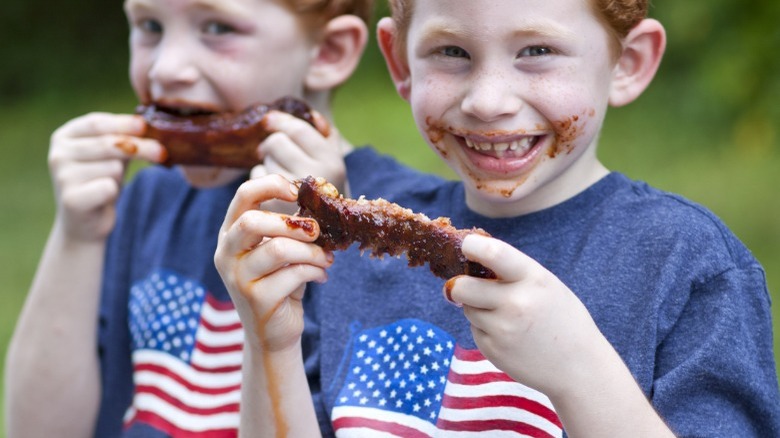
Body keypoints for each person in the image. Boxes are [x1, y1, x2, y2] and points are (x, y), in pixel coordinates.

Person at [214, 0, 780, 436]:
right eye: (451, 53)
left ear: (626, 63)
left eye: (536, 51)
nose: (488, 101)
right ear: (399, 62)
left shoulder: (689, 264)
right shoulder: (349, 251)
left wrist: (579, 370)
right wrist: (269, 345)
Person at [5, 0, 375, 436]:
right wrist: (77, 236)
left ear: (329, 51)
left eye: (217, 27)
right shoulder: (142, 202)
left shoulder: (397, 230)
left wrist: (328, 233)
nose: (166, 68)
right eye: (149, 26)